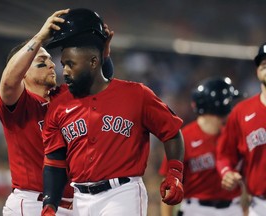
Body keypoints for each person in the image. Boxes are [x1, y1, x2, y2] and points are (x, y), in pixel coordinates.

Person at [40, 8, 185, 216]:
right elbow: (54, 162)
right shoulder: (59, 104)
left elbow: (172, 132)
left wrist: (174, 173)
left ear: (93, 62)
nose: (65, 72)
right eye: (63, 65)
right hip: (80, 199)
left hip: (122, 193)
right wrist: (49, 206)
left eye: (71, 65)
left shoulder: (136, 94)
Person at [0, 8, 114, 216]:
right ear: (23, 73)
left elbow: (100, 80)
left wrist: (101, 50)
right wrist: (40, 37)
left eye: (50, 59)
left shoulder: (64, 97)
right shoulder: (20, 104)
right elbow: (8, 82)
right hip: (33, 203)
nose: (50, 64)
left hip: (74, 203)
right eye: (41, 61)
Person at [159, 77, 244, 216]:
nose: (233, 108)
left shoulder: (236, 134)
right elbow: (169, 186)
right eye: (230, 102)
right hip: (196, 210)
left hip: (233, 209)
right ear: (220, 106)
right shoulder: (184, 138)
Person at [216, 42, 266, 216]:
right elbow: (224, 154)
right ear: (257, 70)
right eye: (263, 63)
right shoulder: (242, 112)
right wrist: (227, 172)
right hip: (260, 206)